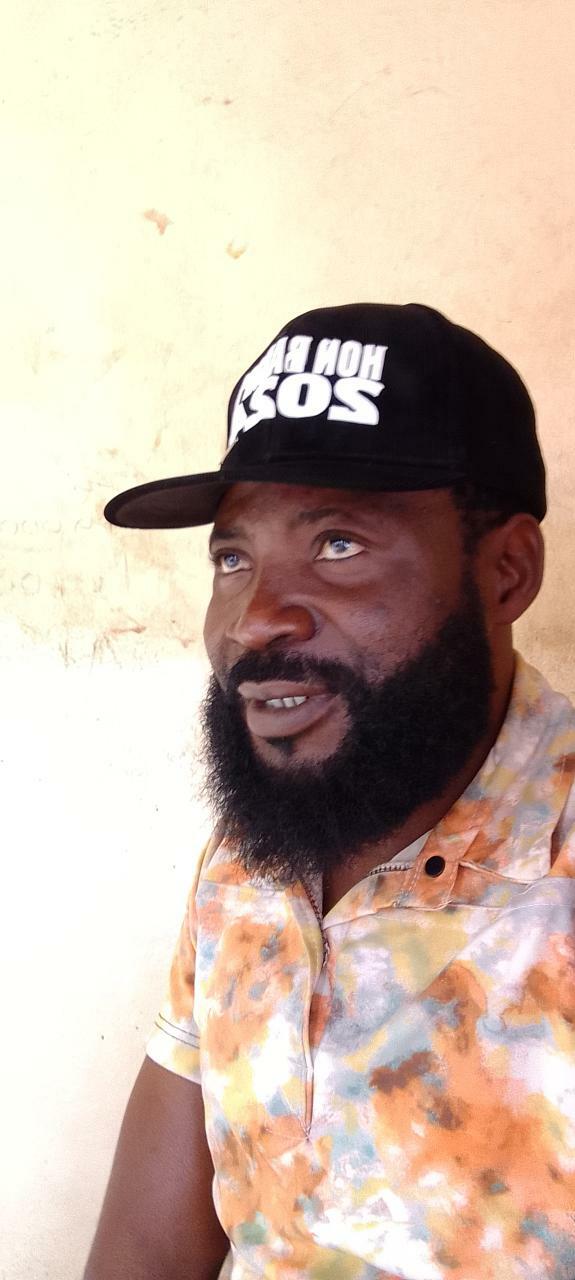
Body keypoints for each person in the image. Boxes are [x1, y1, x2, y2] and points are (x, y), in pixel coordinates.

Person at [86, 303, 575, 1280]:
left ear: (506, 571)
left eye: (337, 544)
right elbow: (146, 1248)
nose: (253, 620)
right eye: (233, 557)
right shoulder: (248, 858)